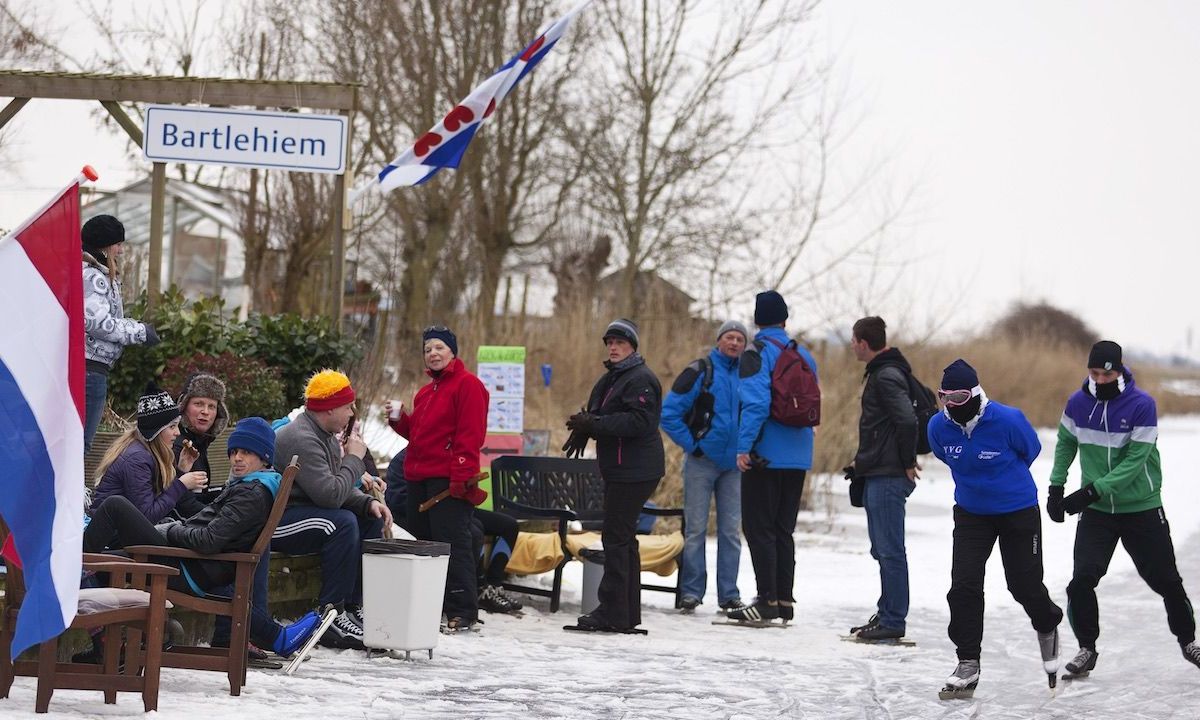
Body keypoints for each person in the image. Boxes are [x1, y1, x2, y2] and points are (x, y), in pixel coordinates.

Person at [84, 417, 325, 659]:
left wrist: (170, 530)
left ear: (264, 458)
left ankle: (73, 567)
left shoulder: (251, 494)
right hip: (190, 562)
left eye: (247, 453)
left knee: (115, 507)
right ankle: (103, 647)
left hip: (186, 567)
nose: (237, 458)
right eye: (234, 452)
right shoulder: (250, 486)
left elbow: (208, 540)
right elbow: (208, 524)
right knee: (104, 564)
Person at [1047, 340, 1200, 675]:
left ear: (1118, 370)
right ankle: (1087, 648)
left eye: (1107, 373)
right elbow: (1065, 444)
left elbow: (1135, 461)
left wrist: (1090, 492)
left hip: (1141, 508)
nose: (1100, 379)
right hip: (1099, 515)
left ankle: (1189, 642)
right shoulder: (1077, 403)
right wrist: (1056, 487)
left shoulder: (1142, 404)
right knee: (1081, 581)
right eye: (1094, 372)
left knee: (1167, 581)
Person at [927, 359, 1063, 696]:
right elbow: (945, 456)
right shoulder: (937, 428)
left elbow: (1030, 450)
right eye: (944, 396)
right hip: (972, 514)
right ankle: (968, 661)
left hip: (1017, 510)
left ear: (974, 393)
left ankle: (1048, 622)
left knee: (1023, 585)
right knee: (964, 586)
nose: (951, 404)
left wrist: (1002, 481)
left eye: (958, 396)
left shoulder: (1007, 419)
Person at [273, 369, 392, 649]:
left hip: (307, 511)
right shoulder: (303, 437)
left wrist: (368, 502)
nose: (352, 412)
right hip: (278, 520)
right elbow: (330, 496)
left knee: (367, 519)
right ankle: (332, 614)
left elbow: (335, 488)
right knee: (341, 523)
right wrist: (353, 458)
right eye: (348, 406)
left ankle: (353, 606)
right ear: (329, 409)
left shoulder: (323, 433)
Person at [563, 318, 664, 633]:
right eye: (609, 342)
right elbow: (600, 412)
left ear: (632, 346)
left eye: (620, 342)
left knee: (616, 538)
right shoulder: (612, 379)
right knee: (623, 539)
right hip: (621, 469)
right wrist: (585, 425)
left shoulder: (641, 378)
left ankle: (612, 611)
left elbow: (639, 422)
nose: (613, 347)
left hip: (635, 470)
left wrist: (594, 425)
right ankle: (624, 612)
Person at [387, 325, 490, 631]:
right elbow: (418, 437)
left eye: (439, 348)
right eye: (427, 349)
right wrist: (400, 420)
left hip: (447, 482)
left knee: (453, 544)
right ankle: (433, 605)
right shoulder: (425, 392)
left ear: (452, 352)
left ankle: (463, 610)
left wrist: (461, 475)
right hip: (418, 478)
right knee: (425, 546)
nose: (432, 353)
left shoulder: (468, 385)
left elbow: (470, 436)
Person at [728, 291, 818, 624]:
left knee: (758, 527)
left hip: (765, 453)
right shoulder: (804, 354)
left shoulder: (757, 352)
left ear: (756, 320)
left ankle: (766, 599)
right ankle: (783, 600)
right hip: (798, 454)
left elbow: (755, 404)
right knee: (783, 529)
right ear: (785, 320)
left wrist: (744, 447)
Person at [660, 319, 748, 614]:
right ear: (719, 340)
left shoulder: (748, 374)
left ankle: (729, 595)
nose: (734, 343)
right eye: (729, 337)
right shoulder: (700, 370)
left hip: (734, 466)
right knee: (696, 530)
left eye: (739, 339)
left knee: (731, 533)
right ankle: (691, 592)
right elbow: (669, 414)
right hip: (701, 463)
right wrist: (693, 445)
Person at [847, 316, 919, 640]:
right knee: (883, 549)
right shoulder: (886, 371)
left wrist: (906, 462)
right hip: (880, 470)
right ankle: (887, 612)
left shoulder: (887, 375)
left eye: (853, 341)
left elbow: (906, 420)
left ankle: (893, 620)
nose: (851, 346)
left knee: (890, 549)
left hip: (889, 474)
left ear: (863, 343)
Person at [82, 214, 159, 453]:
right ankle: (70, 490)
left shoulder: (94, 273)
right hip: (90, 369)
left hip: (92, 367)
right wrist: (139, 331)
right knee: (82, 441)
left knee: (79, 439)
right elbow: (96, 323)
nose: (121, 251)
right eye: (118, 244)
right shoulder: (94, 277)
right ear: (104, 246)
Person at [89, 383, 209, 523]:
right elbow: (147, 517)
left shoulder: (144, 452)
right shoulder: (137, 459)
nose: (177, 432)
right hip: (111, 536)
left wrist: (181, 470)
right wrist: (181, 484)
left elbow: (156, 501)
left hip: (122, 530)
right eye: (172, 426)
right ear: (155, 431)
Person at [172, 372, 230, 502]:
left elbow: (199, 496)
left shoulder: (200, 441)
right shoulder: (177, 445)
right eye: (198, 404)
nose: (205, 411)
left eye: (212, 406)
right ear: (183, 406)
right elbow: (180, 503)